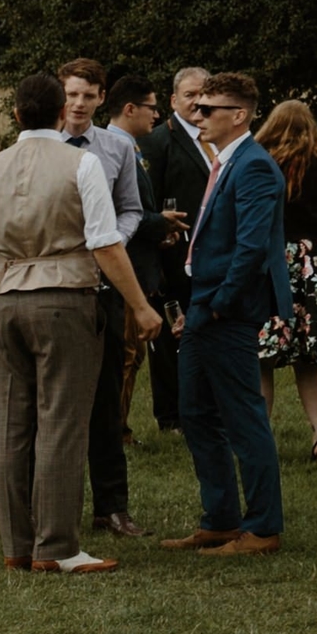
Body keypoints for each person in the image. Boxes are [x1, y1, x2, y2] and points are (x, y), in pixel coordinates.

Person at [0, 71, 164, 573]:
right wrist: (140, 306)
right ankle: (58, 547)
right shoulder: (82, 164)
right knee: (62, 423)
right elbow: (105, 242)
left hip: (3, 301)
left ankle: (16, 546)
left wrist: (11, 261)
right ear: (61, 113)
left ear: (18, 114)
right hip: (65, 300)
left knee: (10, 423)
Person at [169, 72, 291, 555]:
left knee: (243, 417)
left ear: (238, 115)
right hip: (204, 303)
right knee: (195, 412)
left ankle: (262, 528)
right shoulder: (225, 162)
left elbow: (252, 247)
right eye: (195, 106)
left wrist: (219, 306)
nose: (197, 116)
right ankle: (219, 518)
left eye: (207, 109)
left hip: (227, 310)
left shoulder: (255, 166)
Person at [61, 64, 153, 541]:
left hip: (103, 282)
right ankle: (55, 503)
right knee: (56, 398)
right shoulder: (39, 144)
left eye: (88, 96)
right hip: (55, 281)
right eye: (72, 94)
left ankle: (112, 506)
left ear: (101, 100)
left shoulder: (118, 146)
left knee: (106, 398)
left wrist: (112, 240)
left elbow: (132, 207)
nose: (78, 103)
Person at [254, 98, 317, 459]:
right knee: (310, 358)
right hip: (313, 264)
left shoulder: (260, 165)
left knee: (262, 354)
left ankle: (260, 437)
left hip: (268, 262)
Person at [136, 68, 214, 438]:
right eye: (189, 94)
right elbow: (145, 201)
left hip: (210, 255)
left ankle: (204, 408)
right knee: (169, 338)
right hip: (171, 254)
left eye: (204, 94)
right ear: (173, 100)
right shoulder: (157, 141)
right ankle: (171, 418)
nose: (198, 101)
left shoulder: (215, 138)